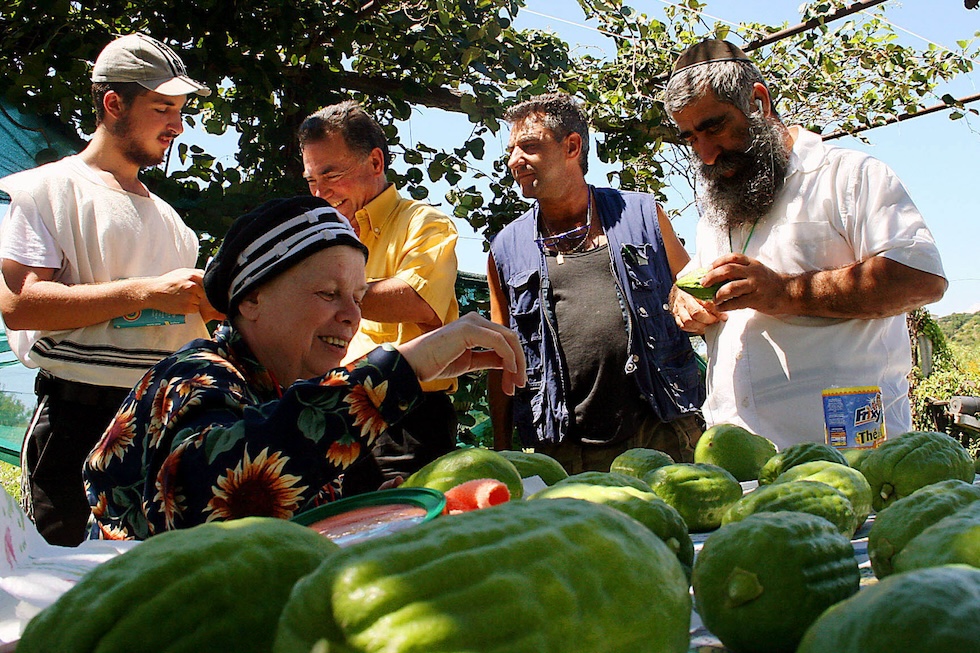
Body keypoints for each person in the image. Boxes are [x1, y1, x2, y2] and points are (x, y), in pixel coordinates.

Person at [82, 196, 525, 540]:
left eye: (357, 296)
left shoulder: (279, 393)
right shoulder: (194, 376)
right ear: (252, 299)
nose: (352, 315)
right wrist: (401, 367)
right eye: (328, 293)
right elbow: (208, 500)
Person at [664, 39, 947, 450]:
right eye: (691, 138)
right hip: (739, 456)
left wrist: (786, 292)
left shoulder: (847, 176)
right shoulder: (718, 210)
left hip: (847, 452)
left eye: (714, 127)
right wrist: (684, 302)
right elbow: (696, 283)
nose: (705, 154)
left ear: (758, 102)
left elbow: (920, 278)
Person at [0, 33, 220, 546]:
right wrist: (145, 292)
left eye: (181, 110)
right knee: (61, 576)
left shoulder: (172, 222)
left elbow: (184, 323)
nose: (178, 125)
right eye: (163, 107)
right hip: (74, 422)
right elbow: (19, 305)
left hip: (159, 425)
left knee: (148, 576)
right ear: (114, 103)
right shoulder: (45, 190)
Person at [487, 92, 705, 474]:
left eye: (530, 147)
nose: (514, 161)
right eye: (511, 150)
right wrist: (502, 453)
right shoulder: (506, 249)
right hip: (563, 450)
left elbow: (694, 293)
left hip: (662, 430)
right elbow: (499, 359)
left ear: (572, 146)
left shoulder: (641, 214)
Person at [297, 102, 460, 486]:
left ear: (375, 161)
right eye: (310, 181)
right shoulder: (320, 237)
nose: (321, 191)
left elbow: (417, 299)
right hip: (331, 414)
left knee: (401, 537)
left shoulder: (425, 223)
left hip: (407, 421)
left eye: (331, 174)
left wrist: (316, 295)